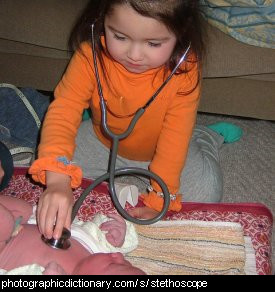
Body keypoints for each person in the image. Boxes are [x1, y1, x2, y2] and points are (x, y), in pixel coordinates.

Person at [29, 0, 241, 241]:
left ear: (180, 33)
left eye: (153, 43)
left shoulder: (185, 71)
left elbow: (175, 137)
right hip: (104, 142)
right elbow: (64, 110)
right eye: (119, 37)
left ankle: (205, 137)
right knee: (49, 161)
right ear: (102, 21)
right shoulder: (89, 57)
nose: (134, 55)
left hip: (161, 148)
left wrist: (160, 197)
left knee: (206, 192)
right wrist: (58, 180)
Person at [0, 195, 145, 275]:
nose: (118, 256)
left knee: (4, 223)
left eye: (113, 264)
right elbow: (95, 228)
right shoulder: (96, 248)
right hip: (21, 221)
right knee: (23, 209)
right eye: (127, 262)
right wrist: (116, 236)